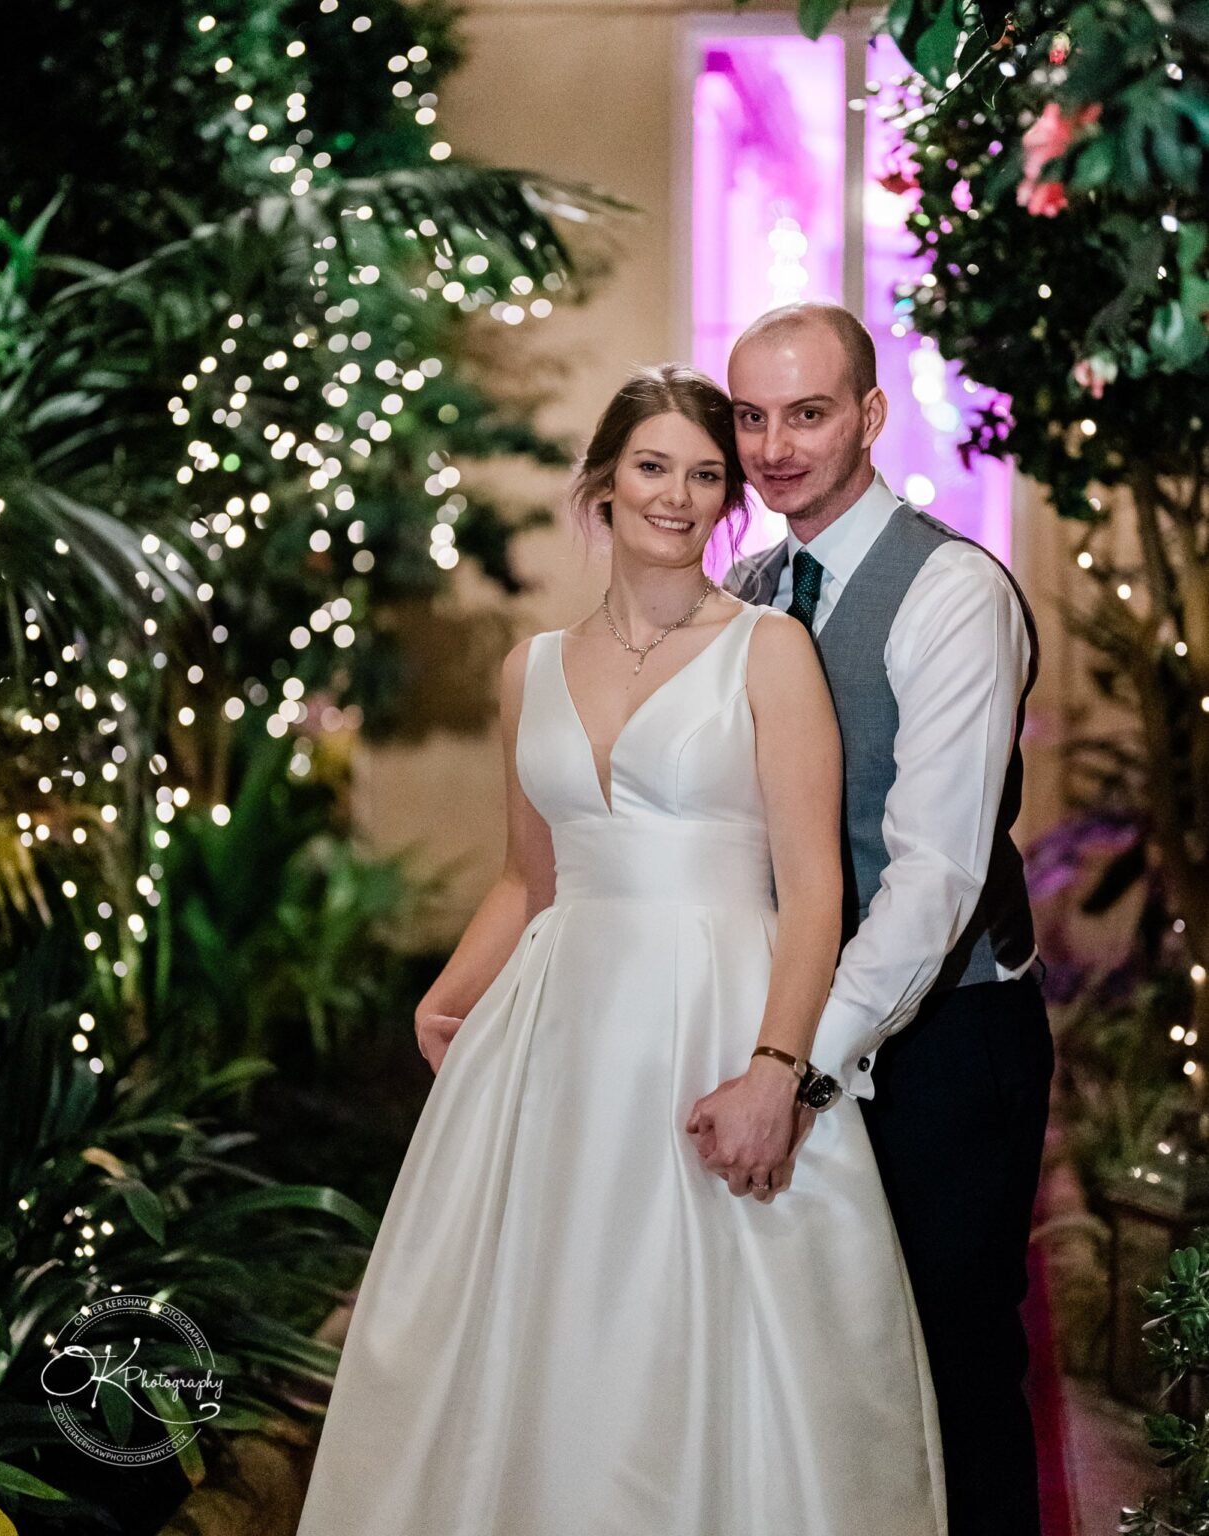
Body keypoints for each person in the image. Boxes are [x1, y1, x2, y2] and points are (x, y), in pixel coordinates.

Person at [295, 363, 945, 1536]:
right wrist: (449, 995)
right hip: (555, 1039)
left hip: (716, 1020)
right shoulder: (528, 667)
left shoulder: (767, 651)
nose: (679, 495)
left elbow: (813, 896)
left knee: (698, 1341)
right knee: (535, 1333)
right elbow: (528, 876)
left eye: (706, 474)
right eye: (653, 466)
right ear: (601, 484)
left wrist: (774, 1068)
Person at [723, 301, 1055, 1536]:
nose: (773, 447)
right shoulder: (745, 592)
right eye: (749, 417)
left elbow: (932, 880)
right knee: (819, 1368)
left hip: (943, 1048)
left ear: (867, 415)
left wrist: (796, 1063)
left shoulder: (951, 591)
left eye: (806, 413)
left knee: (949, 1365)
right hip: (785, 1035)